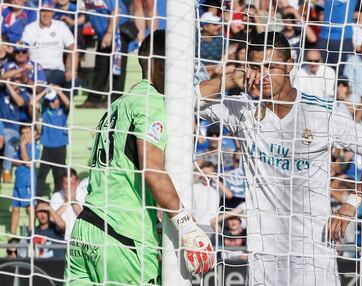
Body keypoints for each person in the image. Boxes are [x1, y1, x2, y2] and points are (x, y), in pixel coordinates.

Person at [198, 31, 362, 285]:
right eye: (255, 67)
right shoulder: (242, 110)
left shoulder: (321, 112)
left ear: (289, 66)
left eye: (270, 66)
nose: (262, 75)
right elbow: (187, 101)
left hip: (314, 252)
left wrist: (350, 205)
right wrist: (229, 80)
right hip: (264, 254)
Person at [64, 30, 214, 285]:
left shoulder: (120, 103)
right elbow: (151, 167)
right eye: (183, 65)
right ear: (162, 64)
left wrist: (230, 78)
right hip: (122, 235)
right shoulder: (151, 102)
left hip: (85, 231)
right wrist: (187, 226)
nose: (187, 75)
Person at [77, 0, 130, 108]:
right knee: (100, 67)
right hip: (103, 35)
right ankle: (94, 99)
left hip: (117, 33)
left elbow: (117, 11)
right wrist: (72, 22)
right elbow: (88, 14)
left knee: (117, 69)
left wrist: (109, 33)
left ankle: (114, 101)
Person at [21, 0, 77, 87]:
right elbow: (23, 51)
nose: (46, 14)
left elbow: (73, 49)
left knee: (76, 82)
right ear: (38, 12)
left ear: (53, 12)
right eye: (43, 11)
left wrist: (70, 70)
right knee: (41, 77)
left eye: (49, 11)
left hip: (57, 71)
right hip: (37, 70)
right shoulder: (29, 28)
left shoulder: (61, 26)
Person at [33, 86, 70, 195]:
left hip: (60, 147)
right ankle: (37, 198)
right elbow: (32, 103)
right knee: (41, 175)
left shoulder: (63, 111)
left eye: (54, 100)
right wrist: (45, 91)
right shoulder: (45, 111)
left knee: (59, 175)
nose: (52, 103)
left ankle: (57, 197)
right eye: (50, 101)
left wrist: (59, 91)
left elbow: (68, 103)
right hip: (47, 147)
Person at [0, 76, 31, 183]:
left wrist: (9, 85)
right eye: (12, 81)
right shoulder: (3, 92)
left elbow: (19, 102)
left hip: (13, 130)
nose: (15, 83)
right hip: (0, 127)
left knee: (9, 140)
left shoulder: (24, 93)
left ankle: (7, 170)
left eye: (17, 82)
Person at [10, 125, 40, 235]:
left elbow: (28, 161)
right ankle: (12, 235)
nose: (25, 135)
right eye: (23, 133)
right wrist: (23, 159)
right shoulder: (19, 147)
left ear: (34, 134)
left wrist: (22, 147)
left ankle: (31, 233)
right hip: (18, 182)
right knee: (15, 209)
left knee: (29, 209)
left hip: (28, 182)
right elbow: (13, 161)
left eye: (27, 132)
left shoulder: (34, 147)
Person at [192, 161, 232, 233]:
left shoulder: (216, 187)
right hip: (197, 223)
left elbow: (229, 195)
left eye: (209, 172)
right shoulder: (195, 186)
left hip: (212, 224)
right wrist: (200, 174)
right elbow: (185, 187)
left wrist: (214, 178)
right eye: (205, 172)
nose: (206, 175)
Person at [50, 169, 87, 241]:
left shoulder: (84, 195)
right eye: (66, 184)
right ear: (61, 183)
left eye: (72, 184)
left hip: (81, 238)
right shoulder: (56, 196)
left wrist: (73, 200)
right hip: (60, 238)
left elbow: (84, 218)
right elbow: (52, 218)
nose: (69, 187)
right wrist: (66, 201)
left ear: (77, 182)